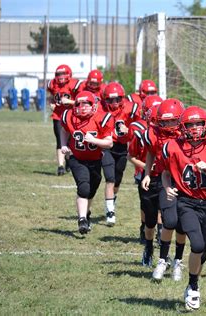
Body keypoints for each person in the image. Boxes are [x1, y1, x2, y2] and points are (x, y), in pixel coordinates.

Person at [161, 106, 206, 310]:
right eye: (190, 125)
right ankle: (193, 286)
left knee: (204, 251)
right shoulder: (173, 147)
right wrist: (167, 188)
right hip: (186, 202)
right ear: (183, 127)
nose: (194, 129)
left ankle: (194, 281)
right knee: (198, 245)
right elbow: (165, 172)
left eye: (198, 124)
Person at [141, 99, 187, 281]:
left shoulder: (188, 131)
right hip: (163, 179)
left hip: (185, 180)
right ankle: (162, 259)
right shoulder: (153, 133)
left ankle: (178, 261)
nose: (168, 125)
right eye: (164, 121)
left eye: (172, 121)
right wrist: (146, 173)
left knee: (182, 224)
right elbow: (151, 151)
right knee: (169, 220)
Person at [60, 91, 114, 234]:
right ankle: (82, 219)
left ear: (94, 105)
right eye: (79, 104)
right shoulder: (68, 116)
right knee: (83, 187)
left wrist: (94, 140)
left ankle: (86, 213)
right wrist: (63, 144)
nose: (82, 107)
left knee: (92, 189)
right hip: (77, 158)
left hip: (95, 159)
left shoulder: (102, 118)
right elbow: (64, 130)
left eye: (86, 104)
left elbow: (109, 143)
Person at [127, 96, 163, 266]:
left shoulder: (176, 132)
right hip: (147, 177)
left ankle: (164, 250)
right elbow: (131, 156)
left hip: (168, 179)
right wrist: (148, 168)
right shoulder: (140, 132)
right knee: (149, 214)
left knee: (167, 214)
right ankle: (148, 242)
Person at [101, 82, 140, 226]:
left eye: (117, 99)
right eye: (110, 100)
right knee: (110, 178)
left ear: (122, 98)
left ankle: (112, 198)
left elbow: (140, 126)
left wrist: (129, 129)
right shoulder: (100, 108)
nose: (114, 102)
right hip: (107, 146)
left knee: (117, 179)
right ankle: (110, 211)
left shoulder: (131, 108)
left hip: (122, 147)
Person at [47, 64, 80, 176]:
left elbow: (81, 100)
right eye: (59, 74)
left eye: (63, 74)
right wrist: (51, 103)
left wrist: (69, 102)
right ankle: (60, 166)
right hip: (58, 116)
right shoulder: (52, 84)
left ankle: (68, 160)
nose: (61, 76)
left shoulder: (75, 84)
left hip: (72, 116)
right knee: (60, 141)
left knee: (71, 140)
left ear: (69, 74)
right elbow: (51, 96)